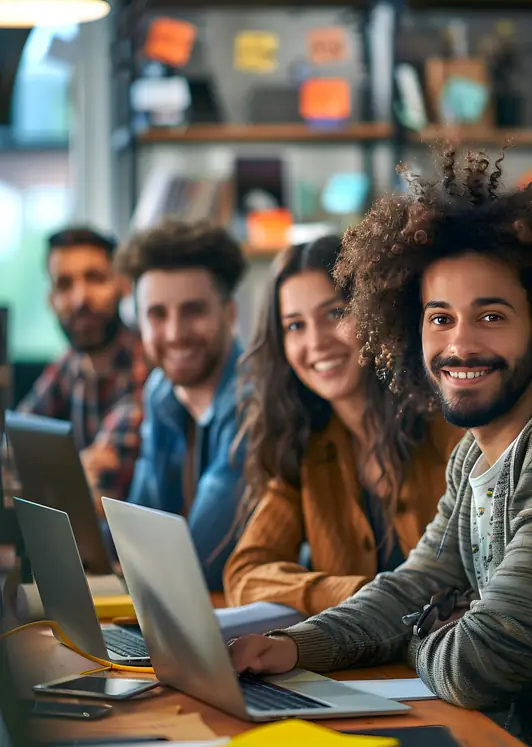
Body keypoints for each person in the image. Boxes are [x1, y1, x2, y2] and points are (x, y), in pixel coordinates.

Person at [229, 150, 532, 747]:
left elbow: (482, 662)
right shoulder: (470, 456)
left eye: (490, 315)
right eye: (439, 318)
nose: (460, 343)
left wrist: (420, 629)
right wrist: (291, 647)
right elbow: (412, 585)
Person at [224, 236, 461, 615]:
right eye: (295, 326)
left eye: (334, 314)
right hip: (370, 670)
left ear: (376, 312)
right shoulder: (307, 446)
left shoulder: (451, 426)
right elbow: (246, 573)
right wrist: (365, 595)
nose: (315, 342)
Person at [114, 218, 248, 590]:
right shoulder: (160, 391)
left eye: (194, 311)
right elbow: (140, 531)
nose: (174, 334)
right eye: (157, 314)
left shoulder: (256, 398)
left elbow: (195, 563)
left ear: (230, 313)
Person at [5, 227, 148, 508]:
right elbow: (11, 450)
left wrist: (46, 475)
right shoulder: (69, 365)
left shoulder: (146, 365)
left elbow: (105, 481)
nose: (80, 299)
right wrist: (74, 471)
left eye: (95, 278)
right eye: (64, 284)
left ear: (123, 285)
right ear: (51, 299)